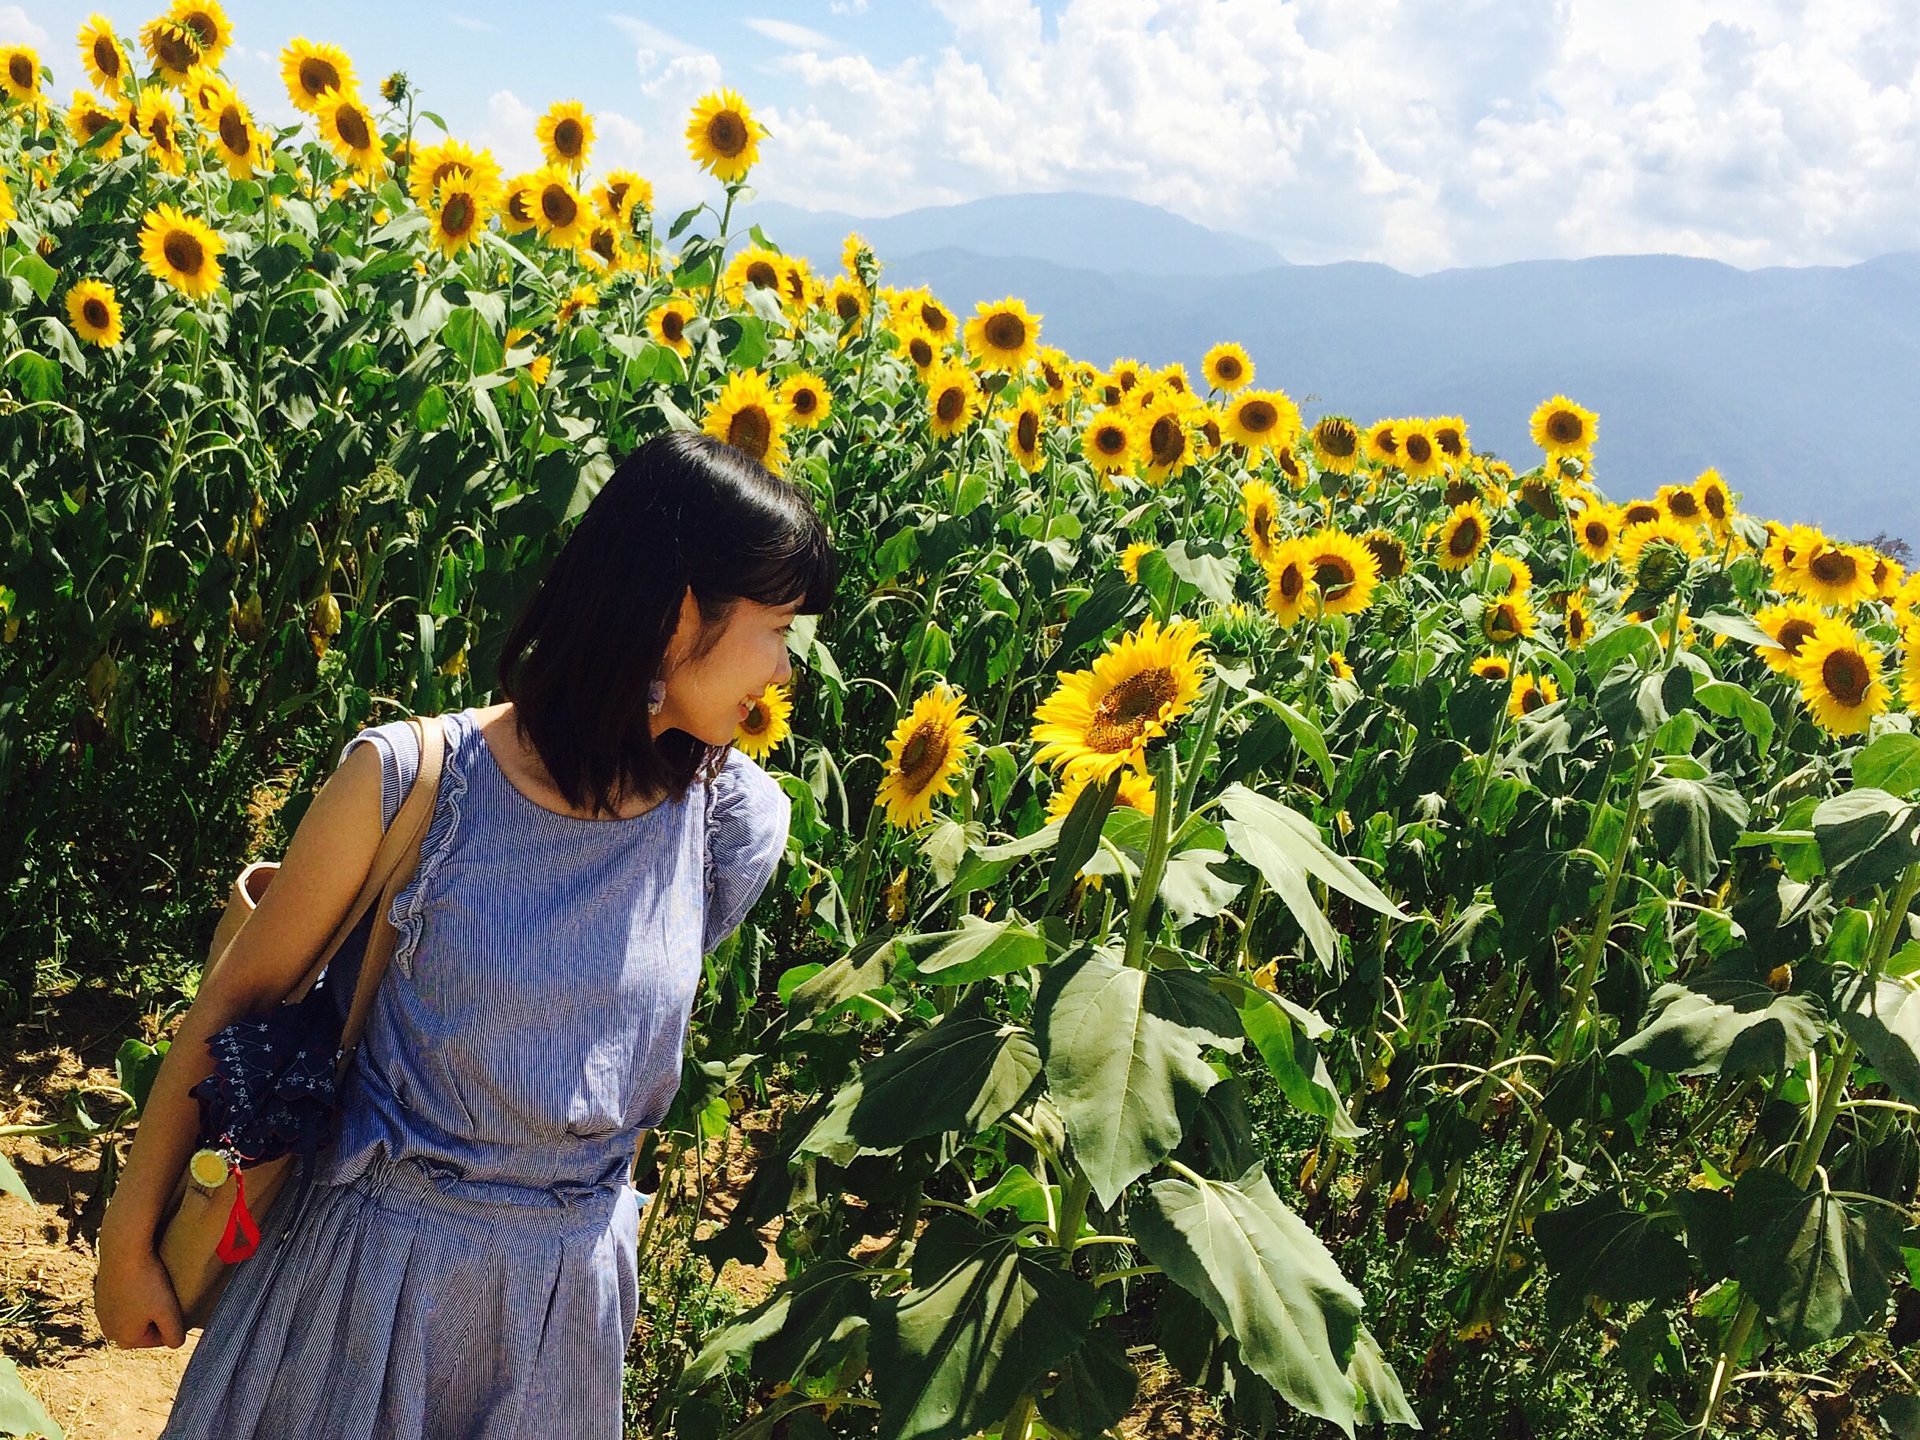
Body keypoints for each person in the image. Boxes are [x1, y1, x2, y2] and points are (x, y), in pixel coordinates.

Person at [91, 430, 837, 1439]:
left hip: (563, 1315)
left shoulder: (727, 823)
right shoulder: (410, 780)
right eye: (776, 626)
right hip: (361, 1296)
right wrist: (127, 1246)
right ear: (677, 614)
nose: (784, 669)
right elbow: (236, 1003)